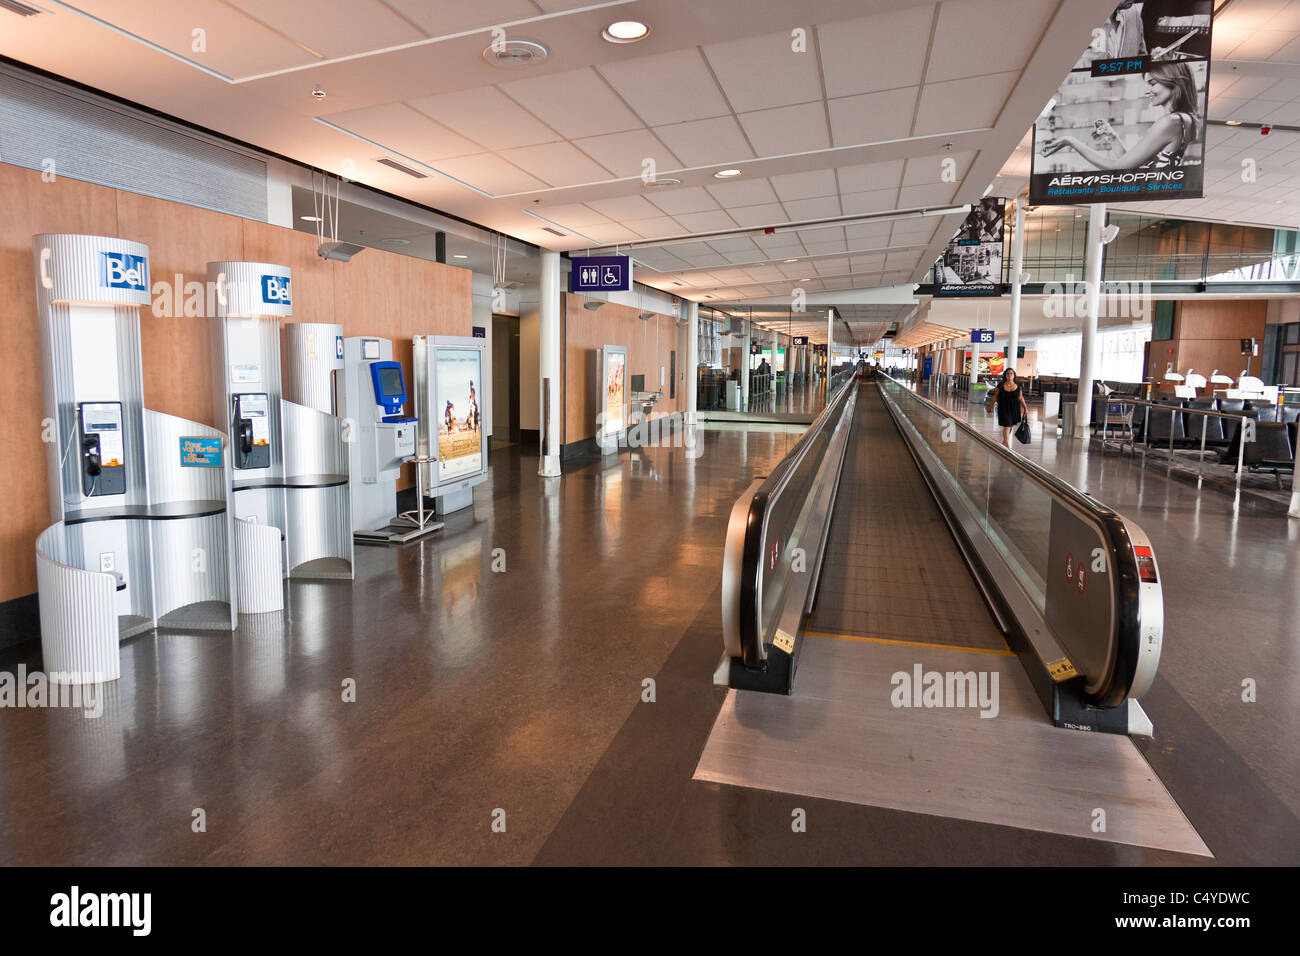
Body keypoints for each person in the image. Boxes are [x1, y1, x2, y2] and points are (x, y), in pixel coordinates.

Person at [1040, 62, 1199, 172]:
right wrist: (1110, 136)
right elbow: (1130, 162)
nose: (1147, 90)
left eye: (1152, 83)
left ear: (1173, 80)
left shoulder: (1169, 122)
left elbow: (1118, 168)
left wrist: (1070, 140)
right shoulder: (1186, 120)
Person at [986, 368, 1029, 449]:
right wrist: (990, 407)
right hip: (1003, 408)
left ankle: (1004, 441)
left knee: (1010, 425)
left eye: (1011, 373)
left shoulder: (1018, 386)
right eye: (1007, 373)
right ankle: (1007, 445)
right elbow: (995, 397)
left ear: (1014, 375)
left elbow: (1020, 397)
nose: (1009, 375)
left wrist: (1025, 408)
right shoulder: (1001, 385)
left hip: (1015, 409)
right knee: (1007, 425)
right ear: (1005, 375)